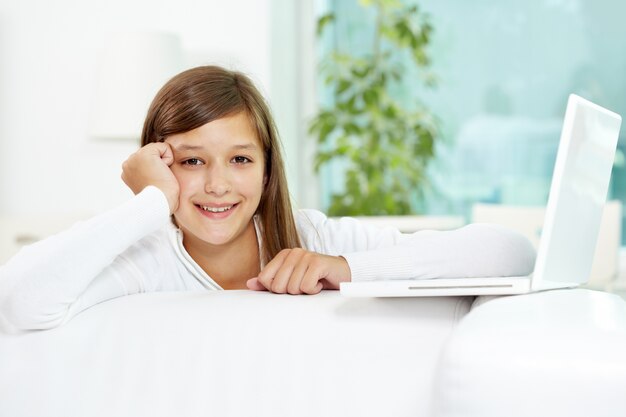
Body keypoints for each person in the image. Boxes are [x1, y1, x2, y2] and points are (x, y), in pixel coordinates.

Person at [0, 66, 536, 331]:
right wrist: (148, 204)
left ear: (266, 170)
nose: (217, 185)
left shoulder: (313, 237)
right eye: (191, 161)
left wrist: (343, 267)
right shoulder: (148, 259)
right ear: (160, 167)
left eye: (240, 159)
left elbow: (512, 253)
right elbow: (19, 299)